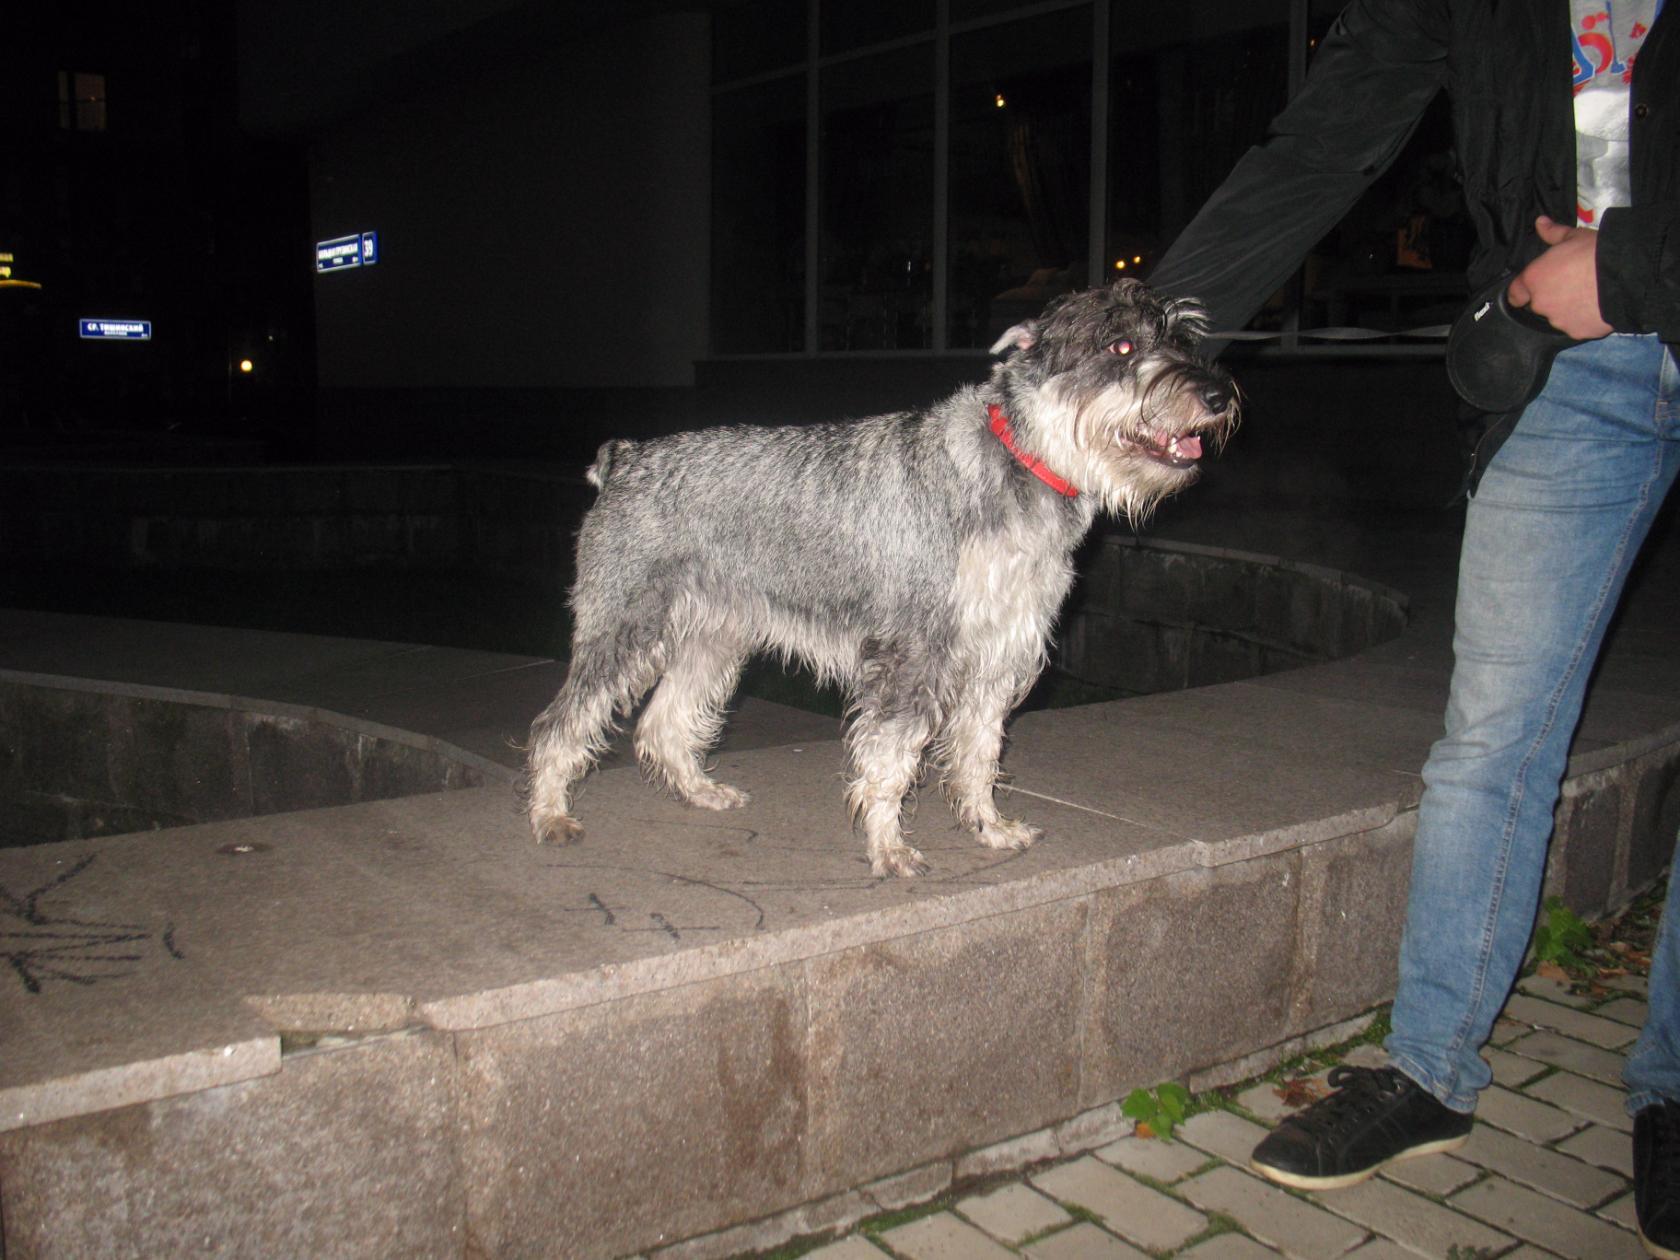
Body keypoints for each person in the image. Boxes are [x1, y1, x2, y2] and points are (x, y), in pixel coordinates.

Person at [1147, 2, 1677, 1255]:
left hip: (1621, 287)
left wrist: (1638, 266)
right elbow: (1323, 141)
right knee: (1490, 736)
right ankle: (1432, 1069)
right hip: (1564, 366)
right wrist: (1142, 346)